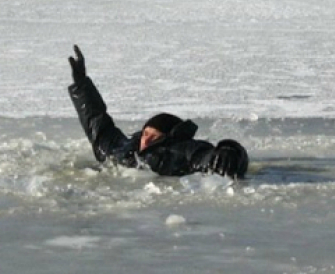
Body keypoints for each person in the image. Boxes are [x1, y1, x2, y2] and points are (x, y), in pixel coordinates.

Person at [68, 45, 248, 179]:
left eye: (155, 136)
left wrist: (229, 150)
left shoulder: (182, 150)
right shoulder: (124, 148)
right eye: (146, 133)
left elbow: (207, 156)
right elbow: (98, 124)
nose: (146, 140)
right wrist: (82, 85)